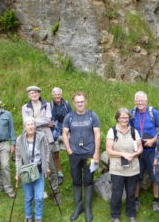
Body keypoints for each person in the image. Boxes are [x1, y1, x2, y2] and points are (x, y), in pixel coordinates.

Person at [62, 92, 101, 222]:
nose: (80, 104)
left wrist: (96, 153)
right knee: (76, 181)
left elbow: (97, 134)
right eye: (77, 102)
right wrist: (68, 150)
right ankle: (79, 207)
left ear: (85, 102)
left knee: (88, 180)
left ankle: (88, 208)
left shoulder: (92, 116)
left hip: (89, 154)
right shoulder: (69, 117)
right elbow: (65, 133)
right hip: (74, 155)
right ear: (74, 103)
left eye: (82, 101)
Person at [22, 86, 60, 203]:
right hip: (31, 137)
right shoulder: (25, 107)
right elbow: (26, 122)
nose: (34, 95)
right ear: (29, 95)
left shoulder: (46, 104)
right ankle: (37, 192)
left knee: (50, 166)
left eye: (36, 92)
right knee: (33, 165)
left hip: (46, 137)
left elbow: (48, 119)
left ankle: (55, 192)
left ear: (39, 94)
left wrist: (33, 122)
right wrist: (40, 122)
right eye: (32, 93)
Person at [106, 108, 143, 222]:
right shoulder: (112, 131)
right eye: (121, 117)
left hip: (132, 167)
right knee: (117, 193)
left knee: (131, 193)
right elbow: (109, 150)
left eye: (126, 117)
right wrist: (122, 154)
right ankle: (115, 215)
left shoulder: (134, 131)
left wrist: (134, 154)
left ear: (129, 118)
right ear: (117, 118)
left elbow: (140, 148)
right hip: (117, 168)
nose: (124, 119)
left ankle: (131, 214)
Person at [129, 91, 159, 212]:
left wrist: (153, 140)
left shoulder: (153, 112)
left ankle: (155, 201)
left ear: (146, 101)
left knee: (155, 175)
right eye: (138, 100)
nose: (140, 102)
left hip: (152, 149)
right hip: (138, 149)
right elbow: (128, 129)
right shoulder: (132, 113)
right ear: (134, 102)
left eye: (142, 100)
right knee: (137, 176)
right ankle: (136, 200)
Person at [16, 117, 50, 222]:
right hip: (26, 172)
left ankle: (38, 217)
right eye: (28, 124)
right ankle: (28, 217)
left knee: (39, 197)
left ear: (35, 126)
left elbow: (47, 152)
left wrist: (46, 166)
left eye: (32, 124)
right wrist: (17, 173)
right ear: (24, 127)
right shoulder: (20, 139)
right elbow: (18, 157)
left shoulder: (42, 137)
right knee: (29, 197)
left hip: (39, 170)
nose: (30, 126)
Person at [49, 87, 72, 185]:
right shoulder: (49, 105)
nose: (57, 96)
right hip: (54, 133)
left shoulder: (66, 104)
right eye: (55, 94)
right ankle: (60, 174)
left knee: (70, 153)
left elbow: (72, 117)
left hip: (66, 132)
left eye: (58, 94)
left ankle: (74, 171)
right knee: (55, 155)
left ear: (61, 95)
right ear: (52, 95)